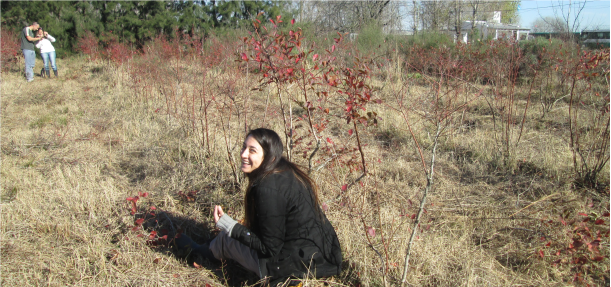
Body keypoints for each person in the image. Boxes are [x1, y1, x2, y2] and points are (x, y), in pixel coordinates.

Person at [176, 128, 342, 286]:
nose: (243, 154)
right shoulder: (289, 172)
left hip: (294, 268)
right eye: (244, 147)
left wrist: (229, 225)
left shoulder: (267, 188)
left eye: (252, 150)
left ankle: (198, 253)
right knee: (236, 232)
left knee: (226, 239)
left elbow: (270, 247)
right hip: (323, 258)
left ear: (269, 157)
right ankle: (209, 244)